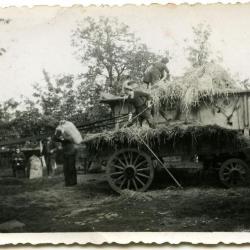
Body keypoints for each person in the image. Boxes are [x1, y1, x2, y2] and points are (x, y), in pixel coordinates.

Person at [53, 120, 82, 186]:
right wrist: (57, 131)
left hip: (71, 152)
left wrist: (62, 136)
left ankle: (73, 182)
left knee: (71, 167)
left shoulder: (69, 133)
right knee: (65, 168)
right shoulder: (61, 132)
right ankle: (67, 182)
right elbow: (54, 138)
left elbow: (69, 139)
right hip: (65, 152)